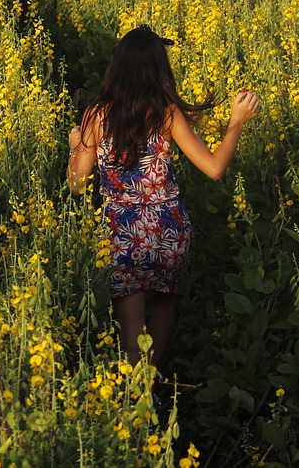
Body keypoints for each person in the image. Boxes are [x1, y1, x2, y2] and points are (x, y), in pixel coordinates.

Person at [66, 25, 259, 372]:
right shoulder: (167, 114)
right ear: (159, 69)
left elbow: (77, 184)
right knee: (165, 301)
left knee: (130, 330)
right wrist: (236, 122)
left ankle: (137, 394)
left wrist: (76, 145)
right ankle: (151, 380)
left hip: (121, 234)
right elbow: (214, 168)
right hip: (168, 231)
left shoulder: (96, 115)